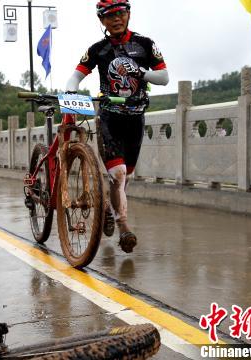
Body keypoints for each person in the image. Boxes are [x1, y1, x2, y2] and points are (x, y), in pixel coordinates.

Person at [65, 0, 169, 253]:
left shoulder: (145, 44)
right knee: (118, 174)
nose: (116, 19)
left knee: (124, 178)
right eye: (109, 16)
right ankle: (124, 227)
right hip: (110, 118)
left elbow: (164, 77)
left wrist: (140, 73)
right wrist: (70, 92)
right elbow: (76, 75)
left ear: (128, 14)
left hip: (136, 118)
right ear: (102, 21)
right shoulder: (98, 49)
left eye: (120, 14)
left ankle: (110, 210)